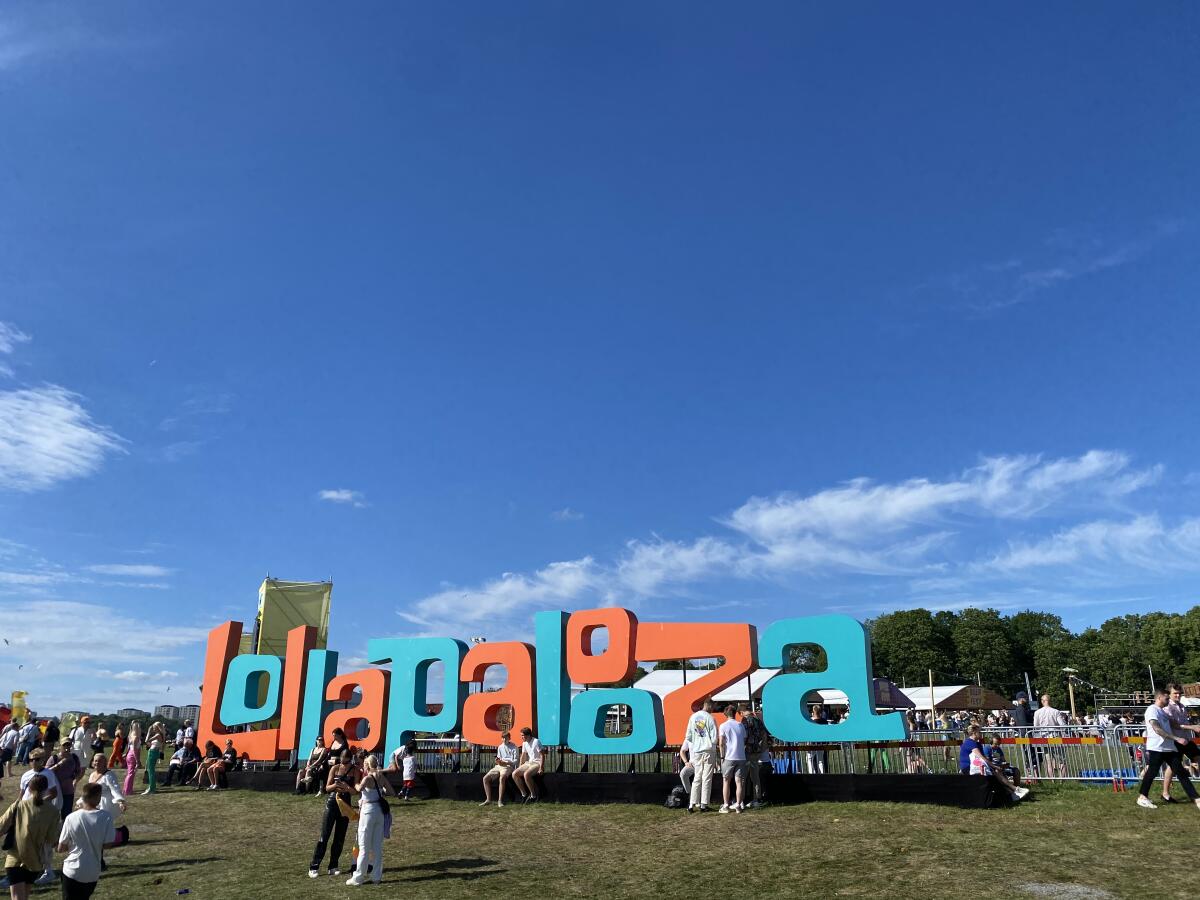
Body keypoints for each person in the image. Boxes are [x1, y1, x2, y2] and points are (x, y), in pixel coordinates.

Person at [1136, 688, 1200, 810]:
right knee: (1152, 773)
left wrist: (1191, 727)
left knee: (1181, 773)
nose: (1168, 700)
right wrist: (1176, 738)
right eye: (1166, 698)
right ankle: (1142, 797)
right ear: (1159, 698)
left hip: (1169, 749)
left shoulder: (1163, 712)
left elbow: (1175, 725)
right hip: (1157, 748)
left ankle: (1196, 799)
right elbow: (1157, 729)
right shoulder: (1152, 710)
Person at [0, 773, 59, 900]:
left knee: (17, 897)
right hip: (35, 862)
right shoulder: (53, 811)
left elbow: (1, 827)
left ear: (29, 788)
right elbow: (52, 839)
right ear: (46, 789)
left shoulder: (18, 805)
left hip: (16, 859)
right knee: (24, 897)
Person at [57, 781, 116, 900]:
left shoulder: (71, 817)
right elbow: (108, 844)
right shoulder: (106, 817)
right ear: (97, 798)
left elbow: (61, 848)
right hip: (92, 872)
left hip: (72, 870)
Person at [345, 754, 394, 887]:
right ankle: (376, 876)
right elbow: (392, 792)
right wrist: (381, 789)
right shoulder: (381, 776)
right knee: (377, 846)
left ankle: (359, 877)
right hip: (379, 811)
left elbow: (358, 789)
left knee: (364, 846)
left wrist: (355, 783)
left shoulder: (367, 778)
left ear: (367, 765)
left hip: (368, 811)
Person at [309, 749, 359, 878]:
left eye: (345, 760)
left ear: (350, 759)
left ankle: (333, 865)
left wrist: (347, 788)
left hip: (345, 804)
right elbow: (327, 787)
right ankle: (314, 866)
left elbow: (355, 791)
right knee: (324, 835)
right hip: (332, 802)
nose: (343, 763)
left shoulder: (355, 770)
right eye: (341, 759)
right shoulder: (335, 768)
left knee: (339, 837)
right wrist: (336, 786)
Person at [18, 750, 61, 886]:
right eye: (31, 760)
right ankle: (21, 870)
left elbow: (53, 793)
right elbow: (22, 794)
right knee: (23, 840)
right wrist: (18, 806)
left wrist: (40, 802)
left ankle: (48, 871)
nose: (34, 762)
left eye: (37, 759)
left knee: (44, 842)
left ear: (43, 760)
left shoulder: (48, 774)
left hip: (41, 812)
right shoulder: (26, 775)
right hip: (26, 811)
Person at [1160, 684, 1200, 803]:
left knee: (1198, 757)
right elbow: (1174, 724)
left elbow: (1183, 723)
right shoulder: (1167, 707)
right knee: (1173, 767)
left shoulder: (1182, 706)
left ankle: (1166, 793)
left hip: (1186, 739)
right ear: (1169, 694)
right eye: (1175, 693)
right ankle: (1165, 793)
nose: (1178, 695)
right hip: (1175, 740)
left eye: (1179, 693)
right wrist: (1192, 727)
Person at [684, 699, 719, 812]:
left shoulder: (692, 717)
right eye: (712, 706)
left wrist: (698, 741)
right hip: (708, 750)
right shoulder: (710, 718)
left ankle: (691, 804)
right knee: (707, 778)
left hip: (697, 751)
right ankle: (703, 804)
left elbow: (688, 736)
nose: (713, 709)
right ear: (708, 705)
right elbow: (714, 738)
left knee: (697, 777)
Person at [718, 705, 747, 814]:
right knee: (739, 782)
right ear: (735, 713)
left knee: (726, 781)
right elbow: (744, 739)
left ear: (725, 714)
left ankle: (726, 805)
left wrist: (722, 756)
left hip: (729, 757)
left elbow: (721, 743)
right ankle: (738, 805)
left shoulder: (723, 726)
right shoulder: (740, 725)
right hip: (741, 756)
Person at [1032, 693, 1068, 777]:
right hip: (1055, 737)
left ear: (1042, 701)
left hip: (1044, 738)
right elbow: (1062, 725)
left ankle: (1052, 780)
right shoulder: (1055, 711)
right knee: (1062, 760)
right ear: (1049, 701)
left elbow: (1035, 726)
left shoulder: (1037, 712)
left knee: (1048, 761)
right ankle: (1061, 780)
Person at [480, 731, 519, 807]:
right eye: (503, 738)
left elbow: (516, 761)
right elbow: (499, 758)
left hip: (508, 766)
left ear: (509, 738)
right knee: (485, 778)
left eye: (506, 738)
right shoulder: (500, 747)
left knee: (502, 778)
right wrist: (498, 761)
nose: (504, 739)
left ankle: (500, 801)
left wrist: (506, 763)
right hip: (499, 766)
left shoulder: (514, 747)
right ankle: (488, 800)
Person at [740, 705, 767, 807]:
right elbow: (764, 735)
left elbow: (744, 736)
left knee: (742, 777)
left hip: (747, 751)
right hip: (757, 751)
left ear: (742, 712)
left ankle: (740, 800)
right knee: (755, 777)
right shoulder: (757, 719)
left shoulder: (745, 720)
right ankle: (757, 799)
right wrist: (762, 748)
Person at [48, 740, 82, 822]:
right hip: (55, 790)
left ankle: (64, 828)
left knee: (67, 813)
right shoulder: (54, 758)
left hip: (68, 790)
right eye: (64, 745)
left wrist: (75, 780)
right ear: (60, 746)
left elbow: (78, 771)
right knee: (53, 812)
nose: (67, 747)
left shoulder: (74, 757)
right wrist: (60, 763)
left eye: (68, 745)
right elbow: (47, 771)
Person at [512, 727, 542, 803]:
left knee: (526, 774)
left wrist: (541, 768)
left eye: (522, 735)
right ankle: (524, 794)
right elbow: (523, 755)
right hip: (529, 763)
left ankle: (533, 795)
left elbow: (542, 755)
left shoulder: (536, 741)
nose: (521, 737)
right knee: (514, 773)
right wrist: (519, 766)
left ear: (528, 735)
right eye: (521, 735)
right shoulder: (524, 743)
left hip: (537, 763)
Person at [142, 723, 165, 796]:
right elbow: (149, 744)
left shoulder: (158, 735)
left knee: (150, 771)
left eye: (154, 728)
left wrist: (149, 732)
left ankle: (151, 788)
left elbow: (146, 741)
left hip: (153, 752)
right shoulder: (160, 735)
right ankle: (152, 787)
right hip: (154, 752)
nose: (153, 729)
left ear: (158, 728)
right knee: (151, 770)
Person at [122, 722, 141, 796]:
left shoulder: (130, 735)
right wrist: (137, 761)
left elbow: (129, 747)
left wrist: (126, 754)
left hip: (130, 754)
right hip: (133, 755)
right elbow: (135, 750)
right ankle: (128, 791)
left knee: (130, 773)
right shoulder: (135, 737)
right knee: (131, 773)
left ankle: (126, 789)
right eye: (139, 727)